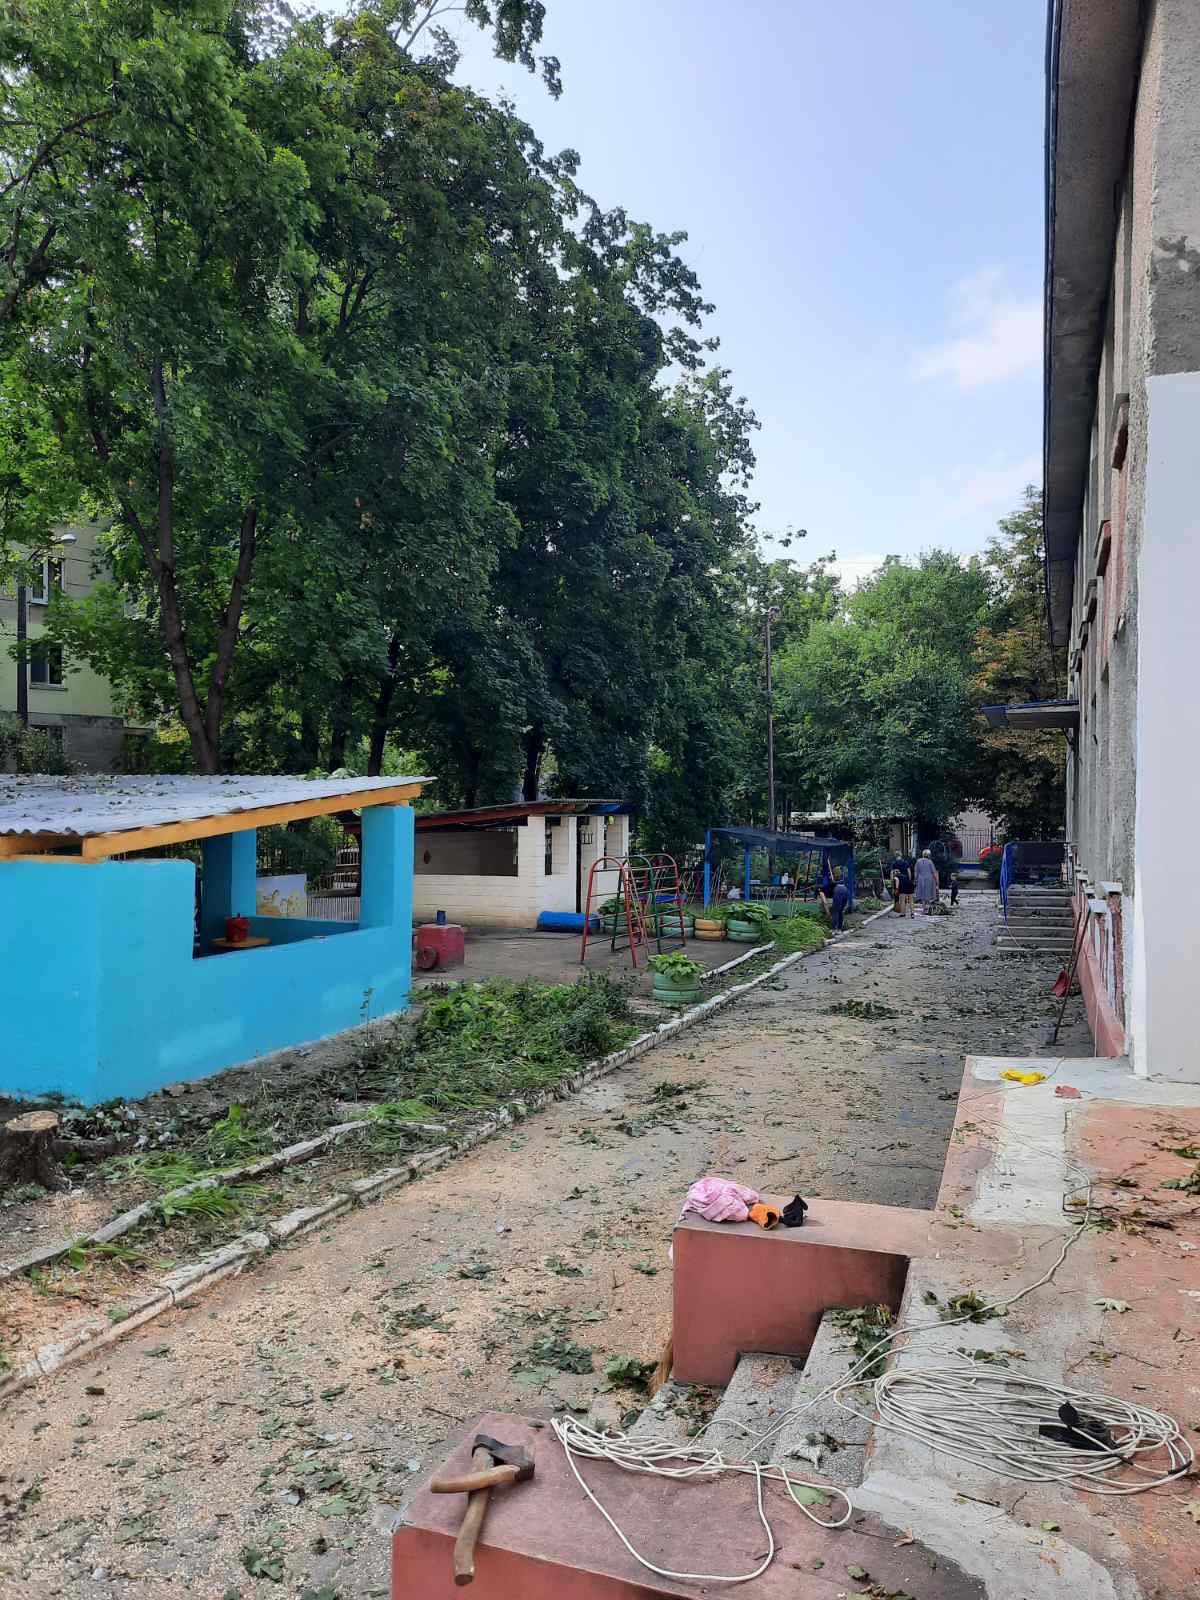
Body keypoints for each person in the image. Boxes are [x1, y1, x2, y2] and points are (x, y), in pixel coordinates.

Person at [893, 853, 915, 918]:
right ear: (901, 855)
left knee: (902, 899)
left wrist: (895, 888)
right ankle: (912, 913)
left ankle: (903, 913)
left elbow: (895, 879)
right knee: (911, 900)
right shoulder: (905, 862)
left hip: (902, 884)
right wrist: (909, 880)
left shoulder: (894, 864)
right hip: (909, 883)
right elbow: (909, 872)